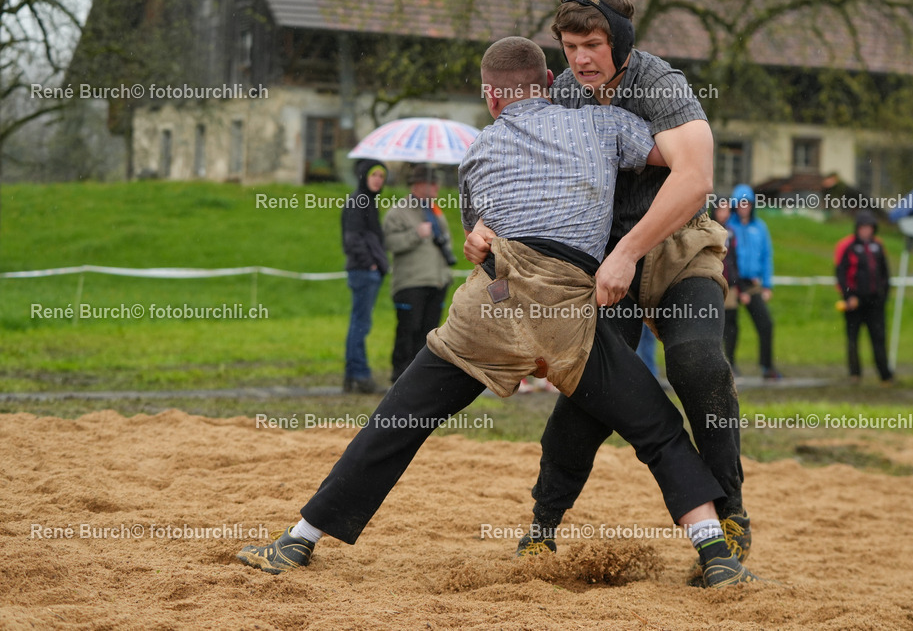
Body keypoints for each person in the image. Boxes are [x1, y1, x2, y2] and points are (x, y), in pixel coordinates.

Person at [236, 36, 760, 589]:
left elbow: (478, 234)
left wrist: (479, 228)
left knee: (398, 420)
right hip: (565, 315)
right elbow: (676, 161)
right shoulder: (603, 127)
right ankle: (715, 553)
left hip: (493, 302)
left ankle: (299, 538)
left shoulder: (478, 152)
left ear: (491, 98)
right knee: (658, 428)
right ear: (551, 85)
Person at [466, 0, 751, 568]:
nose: (581, 59)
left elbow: (694, 178)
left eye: (592, 44)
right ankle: (544, 523)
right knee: (591, 391)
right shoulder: (564, 95)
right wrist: (486, 229)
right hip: (600, 261)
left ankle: (732, 517)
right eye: (570, 47)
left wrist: (630, 251)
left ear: (619, 41)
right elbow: (519, 166)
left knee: (699, 364)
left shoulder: (661, 85)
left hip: (675, 248)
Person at [383, 165, 455, 383]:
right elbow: (389, 242)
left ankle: (420, 377)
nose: (437, 187)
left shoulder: (435, 212)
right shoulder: (398, 211)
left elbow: (446, 242)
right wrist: (415, 234)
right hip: (410, 283)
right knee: (408, 329)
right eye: (432, 182)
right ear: (418, 185)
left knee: (429, 332)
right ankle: (400, 374)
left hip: (437, 281)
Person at [341, 159, 389, 394]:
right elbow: (352, 239)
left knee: (358, 323)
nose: (378, 180)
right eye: (374, 175)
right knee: (360, 324)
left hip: (368, 271)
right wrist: (370, 264)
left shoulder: (368, 201)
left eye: (382, 176)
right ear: (364, 176)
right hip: (363, 272)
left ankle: (352, 376)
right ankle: (359, 375)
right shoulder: (359, 201)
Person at [728, 184, 782, 380]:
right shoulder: (728, 226)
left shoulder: (760, 228)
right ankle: (730, 365)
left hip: (752, 283)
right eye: (741, 203)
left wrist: (767, 285)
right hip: (733, 283)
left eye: (747, 203)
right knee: (731, 326)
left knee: (766, 323)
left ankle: (767, 366)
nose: (744, 207)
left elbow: (767, 256)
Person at [834, 211, 894, 384]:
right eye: (863, 227)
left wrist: (884, 295)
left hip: (875, 301)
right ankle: (855, 374)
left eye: (869, 227)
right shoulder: (848, 246)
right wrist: (848, 296)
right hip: (854, 302)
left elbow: (885, 273)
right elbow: (840, 274)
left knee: (879, 338)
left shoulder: (878, 246)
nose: (866, 231)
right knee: (853, 339)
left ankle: (885, 375)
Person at [714, 196, 741, 374]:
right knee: (715, 323)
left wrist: (738, 283)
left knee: (731, 324)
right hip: (714, 283)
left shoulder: (730, 233)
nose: (724, 213)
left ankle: (731, 360)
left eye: (727, 210)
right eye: (721, 209)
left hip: (730, 285)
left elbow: (734, 259)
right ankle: (716, 361)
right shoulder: (709, 229)